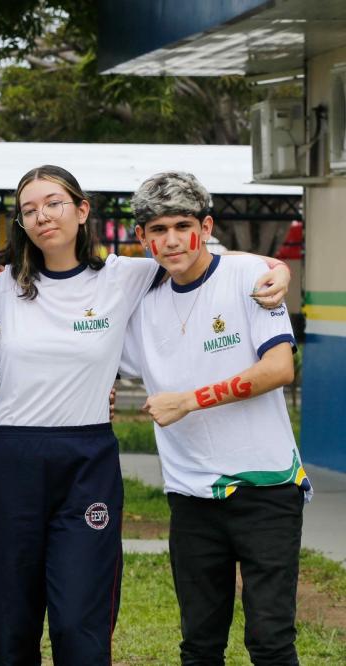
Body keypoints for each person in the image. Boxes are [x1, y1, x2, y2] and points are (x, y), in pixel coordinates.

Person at [0, 165, 289, 665]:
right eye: (29, 209)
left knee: (80, 624)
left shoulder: (125, 275)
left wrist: (280, 267)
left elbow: (213, 259)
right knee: (11, 626)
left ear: (81, 210)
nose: (42, 216)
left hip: (86, 460)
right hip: (11, 458)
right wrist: (19, 417)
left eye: (54, 203)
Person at [121, 171, 308, 665]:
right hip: (191, 496)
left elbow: (279, 367)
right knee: (200, 644)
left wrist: (188, 401)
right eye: (157, 229)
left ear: (205, 226)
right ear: (142, 237)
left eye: (182, 224)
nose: (171, 239)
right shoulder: (140, 302)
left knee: (270, 641)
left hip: (267, 488)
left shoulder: (249, 278)